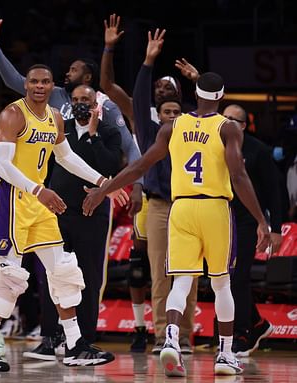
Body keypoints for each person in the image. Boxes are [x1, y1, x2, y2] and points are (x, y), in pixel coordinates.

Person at [83, 72, 271, 377]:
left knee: (180, 281)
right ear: (221, 98)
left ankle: (169, 335)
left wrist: (104, 189)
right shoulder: (227, 128)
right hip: (214, 208)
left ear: (193, 95)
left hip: (180, 207)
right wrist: (261, 220)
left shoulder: (173, 126)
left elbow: (141, 165)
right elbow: (238, 177)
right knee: (222, 283)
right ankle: (225, 354)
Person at [0, 64, 125, 372]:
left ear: (53, 85)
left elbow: (66, 157)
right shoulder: (12, 114)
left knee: (63, 270)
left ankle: (74, 344)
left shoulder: (55, 117)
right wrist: (38, 190)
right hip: (9, 197)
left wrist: (101, 182)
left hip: (38, 200)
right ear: (26, 85)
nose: (39, 86)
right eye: (33, 81)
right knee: (11, 276)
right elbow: (1, 165)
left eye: (45, 81)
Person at [101, 18, 197, 354]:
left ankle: (185, 336)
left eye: (173, 101)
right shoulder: (146, 123)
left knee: (187, 276)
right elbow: (136, 95)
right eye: (163, 101)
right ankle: (161, 336)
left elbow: (209, 109)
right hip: (157, 206)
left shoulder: (192, 126)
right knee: (157, 275)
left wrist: (199, 82)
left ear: (182, 105)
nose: (168, 106)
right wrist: (147, 61)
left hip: (188, 206)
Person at [23, 84, 128, 360]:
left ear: (97, 105)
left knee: (89, 277)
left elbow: (110, 167)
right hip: (57, 212)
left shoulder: (109, 132)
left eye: (87, 100)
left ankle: (82, 341)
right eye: (76, 99)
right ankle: (49, 338)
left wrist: (93, 135)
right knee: (53, 275)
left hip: (92, 217)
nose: (81, 103)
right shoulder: (61, 128)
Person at [0, 13, 142, 179]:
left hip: (91, 175)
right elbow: (12, 80)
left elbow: (129, 146)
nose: (67, 73)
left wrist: (138, 184)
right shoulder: (52, 93)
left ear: (87, 77)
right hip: (55, 175)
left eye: (73, 70)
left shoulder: (104, 104)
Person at [222, 104, 282, 356]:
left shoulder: (259, 151)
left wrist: (274, 228)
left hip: (248, 221)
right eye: (223, 118)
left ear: (244, 126)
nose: (226, 122)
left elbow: (274, 192)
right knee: (225, 278)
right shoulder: (214, 147)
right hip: (221, 218)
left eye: (232, 120)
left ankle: (242, 333)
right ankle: (257, 324)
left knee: (239, 276)